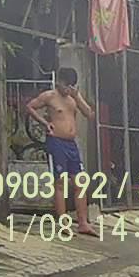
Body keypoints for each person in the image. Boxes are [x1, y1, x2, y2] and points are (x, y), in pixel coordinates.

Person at [26, 67, 97, 237]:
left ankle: (83, 223)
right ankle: (64, 223)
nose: (68, 89)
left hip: (71, 144)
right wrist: (45, 123)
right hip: (56, 142)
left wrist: (77, 96)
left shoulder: (73, 99)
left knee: (80, 183)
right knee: (60, 183)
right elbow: (30, 106)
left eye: (71, 86)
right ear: (59, 82)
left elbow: (90, 114)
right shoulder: (49, 96)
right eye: (66, 85)